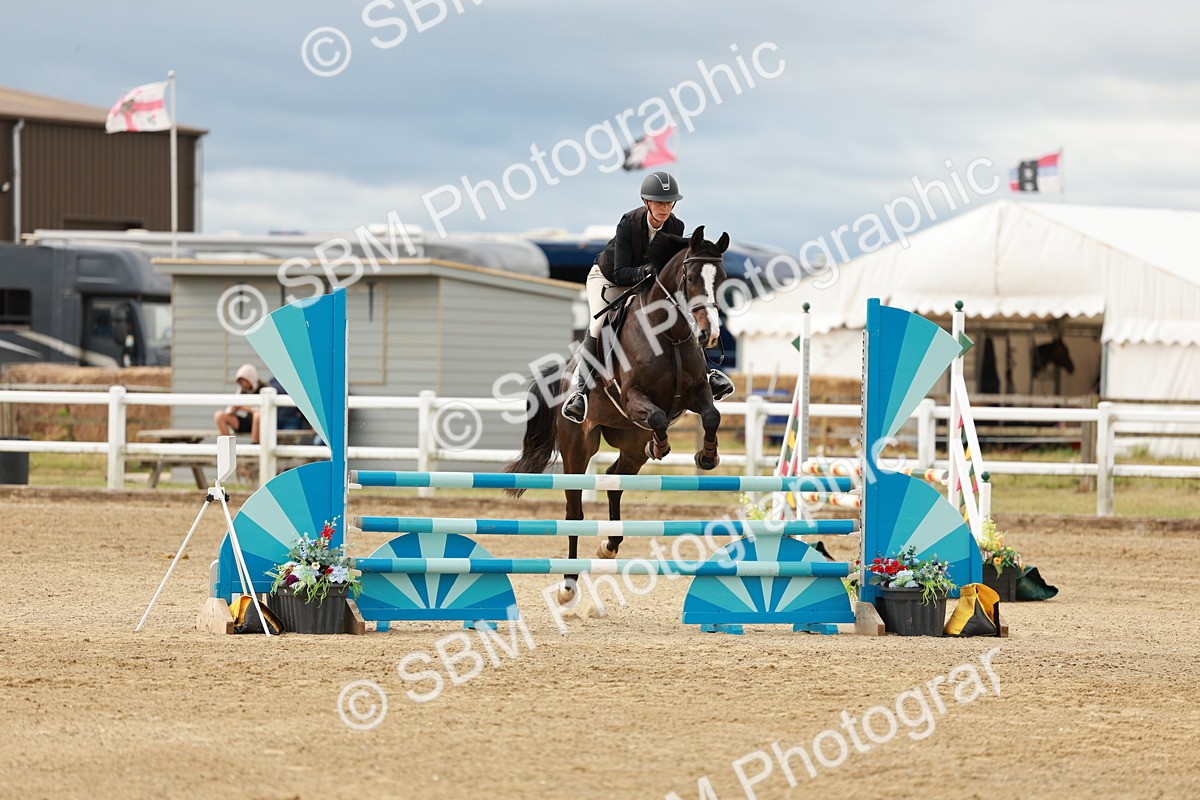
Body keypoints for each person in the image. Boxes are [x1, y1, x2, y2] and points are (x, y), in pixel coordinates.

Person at [561, 171, 735, 423]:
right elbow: (621, 271)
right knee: (598, 325)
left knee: (682, 317)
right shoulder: (628, 224)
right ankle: (580, 393)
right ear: (647, 203)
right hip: (609, 279)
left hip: (645, 283)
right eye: (659, 202)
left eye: (669, 202)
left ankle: (708, 375)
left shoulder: (676, 226)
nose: (665, 208)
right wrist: (646, 271)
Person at [214, 363, 267, 443]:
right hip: (247, 421)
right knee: (219, 416)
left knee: (257, 416)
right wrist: (234, 409)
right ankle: (227, 448)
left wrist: (244, 408)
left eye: (245, 380)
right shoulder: (241, 390)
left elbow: (264, 411)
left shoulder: (264, 389)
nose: (244, 384)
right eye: (241, 381)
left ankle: (254, 448)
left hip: (263, 423)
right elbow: (228, 410)